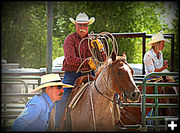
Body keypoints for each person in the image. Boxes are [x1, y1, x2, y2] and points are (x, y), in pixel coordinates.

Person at [55, 12, 106, 130]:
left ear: (88, 26)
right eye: (80, 25)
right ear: (75, 26)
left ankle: (113, 119)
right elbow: (70, 59)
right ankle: (58, 126)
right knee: (62, 96)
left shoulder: (93, 41)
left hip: (89, 73)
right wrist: (88, 61)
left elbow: (102, 59)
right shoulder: (69, 39)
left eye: (85, 25)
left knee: (105, 91)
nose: (82, 28)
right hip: (72, 73)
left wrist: (100, 49)